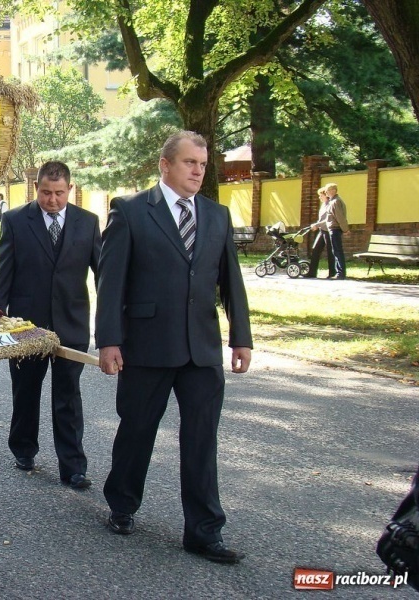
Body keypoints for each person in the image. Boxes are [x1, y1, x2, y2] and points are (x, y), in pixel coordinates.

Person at [96, 131, 252, 564]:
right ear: (165, 165)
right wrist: (109, 340)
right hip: (147, 345)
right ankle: (123, 505)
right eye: (189, 163)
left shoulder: (217, 215)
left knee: (202, 440)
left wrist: (241, 336)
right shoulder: (130, 211)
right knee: (138, 429)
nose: (198, 171)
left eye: (202, 164)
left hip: (202, 349)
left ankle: (204, 532)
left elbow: (230, 282)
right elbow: (111, 283)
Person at [0, 161, 101, 489]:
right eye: (45, 193)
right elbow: (4, 273)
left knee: (68, 396)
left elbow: (103, 274)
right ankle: (24, 448)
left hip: (72, 324)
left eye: (59, 193)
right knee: (26, 391)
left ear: (69, 189)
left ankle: (73, 466)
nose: (52, 200)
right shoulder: (14, 221)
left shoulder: (88, 222)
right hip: (26, 326)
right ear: (35, 188)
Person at [324, 183, 348, 280]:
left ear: (333, 190)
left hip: (335, 228)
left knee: (337, 251)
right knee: (336, 250)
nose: (326, 193)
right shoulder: (333, 201)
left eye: (327, 191)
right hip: (333, 228)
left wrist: (345, 229)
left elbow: (340, 217)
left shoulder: (335, 202)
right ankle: (339, 272)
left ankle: (340, 273)